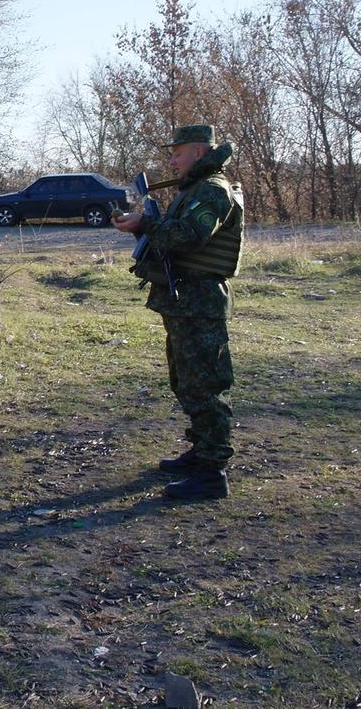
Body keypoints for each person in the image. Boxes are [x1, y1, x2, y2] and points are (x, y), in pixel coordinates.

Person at [112, 124, 244, 501]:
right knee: (186, 382)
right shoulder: (195, 189)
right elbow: (172, 237)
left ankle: (212, 473)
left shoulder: (212, 190)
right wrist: (139, 228)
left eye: (177, 153)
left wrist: (146, 223)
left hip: (201, 303)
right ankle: (200, 453)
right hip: (185, 301)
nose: (171, 161)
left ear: (198, 152)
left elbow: (188, 236)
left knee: (206, 386)